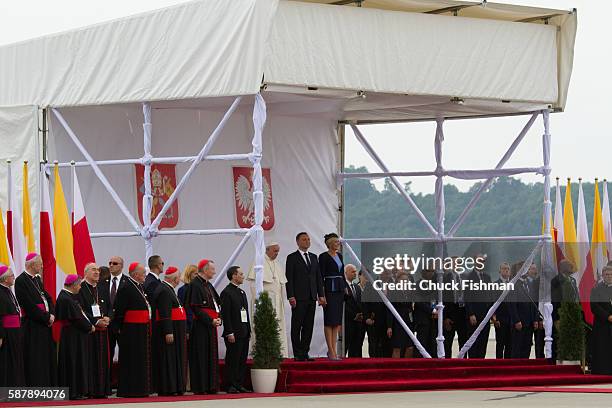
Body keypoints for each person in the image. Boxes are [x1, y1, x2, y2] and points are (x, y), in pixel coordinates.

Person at [14, 252, 57, 386]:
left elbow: (47, 298)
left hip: (44, 324)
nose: (42, 266)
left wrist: (52, 314)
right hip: (32, 326)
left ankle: (47, 385)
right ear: (32, 265)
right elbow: (28, 306)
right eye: (40, 264)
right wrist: (46, 317)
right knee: (35, 358)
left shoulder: (37, 279)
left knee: (45, 357)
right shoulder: (21, 281)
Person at [112, 262, 152, 397]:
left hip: (140, 329)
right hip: (131, 331)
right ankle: (130, 390)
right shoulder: (126, 287)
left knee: (140, 359)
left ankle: (141, 388)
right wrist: (119, 328)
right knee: (132, 360)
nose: (145, 276)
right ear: (135, 274)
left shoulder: (139, 286)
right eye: (143, 273)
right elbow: (120, 310)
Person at [285, 232, 325, 361]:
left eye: (308, 239)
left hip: (311, 297)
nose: (307, 241)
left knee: (308, 326)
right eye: (304, 239)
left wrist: (321, 295)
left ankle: (304, 352)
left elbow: (318, 277)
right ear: (298, 242)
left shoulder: (314, 257)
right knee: (297, 325)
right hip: (298, 297)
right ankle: (297, 353)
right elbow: (289, 279)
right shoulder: (292, 257)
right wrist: (291, 296)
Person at [185, 259, 222, 394]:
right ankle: (201, 387)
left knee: (210, 356)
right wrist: (211, 320)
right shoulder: (195, 285)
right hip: (201, 327)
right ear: (205, 270)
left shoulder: (208, 285)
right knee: (201, 356)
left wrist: (218, 318)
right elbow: (196, 308)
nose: (214, 272)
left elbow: (217, 304)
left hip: (211, 325)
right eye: (212, 269)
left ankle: (211, 385)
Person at [56, 274, 95, 400]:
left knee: (76, 362)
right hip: (72, 337)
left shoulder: (68, 296)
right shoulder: (66, 298)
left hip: (74, 336)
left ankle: (77, 391)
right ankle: (73, 392)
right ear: (73, 285)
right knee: (73, 363)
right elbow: (76, 319)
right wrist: (90, 327)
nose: (80, 288)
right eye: (79, 285)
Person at [247, 242, 289, 357]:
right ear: (267, 250)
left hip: (277, 301)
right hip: (264, 302)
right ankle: (263, 354)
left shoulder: (276, 263)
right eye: (275, 251)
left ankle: (279, 353)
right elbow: (253, 284)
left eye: (278, 251)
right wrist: (259, 302)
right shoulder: (258, 262)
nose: (277, 253)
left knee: (278, 326)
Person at [78, 263, 111, 398]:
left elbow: (109, 305)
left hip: (103, 330)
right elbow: (82, 310)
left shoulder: (102, 287)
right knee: (91, 360)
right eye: (93, 270)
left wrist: (108, 318)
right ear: (86, 273)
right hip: (89, 330)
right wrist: (96, 321)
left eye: (98, 270)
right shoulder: (81, 288)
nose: (97, 272)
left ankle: (102, 390)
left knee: (102, 361)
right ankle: (91, 390)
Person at [153, 266, 187, 396]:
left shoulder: (168, 289)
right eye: (178, 277)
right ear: (175, 278)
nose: (179, 279)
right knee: (169, 359)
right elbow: (165, 313)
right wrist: (168, 331)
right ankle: (169, 387)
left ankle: (176, 386)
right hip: (169, 331)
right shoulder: (164, 291)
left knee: (173, 359)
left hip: (175, 329)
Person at [221, 266, 252, 393]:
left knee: (241, 360)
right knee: (232, 360)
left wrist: (248, 330)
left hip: (244, 332)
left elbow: (246, 313)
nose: (243, 276)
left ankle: (239, 383)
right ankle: (230, 384)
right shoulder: (227, 293)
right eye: (241, 274)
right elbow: (226, 314)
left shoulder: (242, 292)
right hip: (233, 333)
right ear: (234, 276)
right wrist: (229, 332)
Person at [319, 233, 345, 360]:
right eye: (336, 242)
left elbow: (342, 273)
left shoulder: (339, 256)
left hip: (339, 290)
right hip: (329, 290)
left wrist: (345, 288)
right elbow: (320, 276)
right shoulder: (323, 257)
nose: (338, 244)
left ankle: (334, 349)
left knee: (336, 322)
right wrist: (322, 294)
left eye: (338, 242)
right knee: (329, 321)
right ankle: (330, 350)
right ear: (329, 243)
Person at [98, 256, 127, 363]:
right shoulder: (102, 282)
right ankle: (108, 378)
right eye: (110, 263)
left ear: (121, 266)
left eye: (114, 263)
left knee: (124, 354)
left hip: (122, 324)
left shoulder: (127, 282)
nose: (111, 265)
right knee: (107, 354)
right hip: (107, 324)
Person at [508, 262, 539, 359]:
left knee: (527, 347)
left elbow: (533, 302)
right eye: (526, 268)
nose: (528, 270)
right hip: (519, 322)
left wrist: (535, 319)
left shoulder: (529, 283)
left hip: (529, 322)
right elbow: (512, 305)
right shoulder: (514, 284)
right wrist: (516, 320)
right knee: (517, 348)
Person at [0, 264, 24, 387]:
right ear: (5, 279)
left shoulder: (8, 291)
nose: (14, 277)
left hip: (15, 332)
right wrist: (1, 335)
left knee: (15, 360)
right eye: (11, 276)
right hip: (6, 333)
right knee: (6, 361)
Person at [551, 259, 580, 360]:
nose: (572, 268)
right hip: (561, 315)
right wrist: (556, 318)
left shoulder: (573, 280)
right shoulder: (555, 280)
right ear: (563, 268)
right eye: (570, 266)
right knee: (559, 339)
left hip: (572, 315)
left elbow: (575, 296)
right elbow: (555, 301)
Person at [464, 255, 492, 358]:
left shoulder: (487, 277)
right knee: (473, 342)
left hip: (485, 315)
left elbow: (490, 295)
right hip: (474, 315)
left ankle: (481, 365)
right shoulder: (469, 276)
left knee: (483, 341)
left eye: (483, 261)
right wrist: (471, 314)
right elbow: (467, 296)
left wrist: (491, 313)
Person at [144, 255, 164, 392]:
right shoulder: (152, 282)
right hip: (154, 323)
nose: (163, 265)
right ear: (157, 265)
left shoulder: (154, 281)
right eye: (162, 263)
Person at [442, 257, 468, 358]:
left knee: (464, 342)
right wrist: (445, 317)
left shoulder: (466, 276)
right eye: (455, 263)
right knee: (447, 343)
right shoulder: (445, 277)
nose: (457, 264)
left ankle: (463, 365)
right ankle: (447, 366)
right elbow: (443, 297)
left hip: (463, 312)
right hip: (451, 313)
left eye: (459, 263)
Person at [386, 271, 415, 358]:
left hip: (409, 322)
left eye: (406, 280)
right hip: (397, 324)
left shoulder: (410, 292)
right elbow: (390, 310)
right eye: (403, 280)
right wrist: (389, 326)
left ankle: (406, 368)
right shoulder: (393, 291)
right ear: (398, 281)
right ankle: (395, 369)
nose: (405, 282)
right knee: (397, 347)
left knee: (410, 347)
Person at [590, 266, 612, 374]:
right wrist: (608, 316)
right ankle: (603, 371)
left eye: (611, 274)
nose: (609, 276)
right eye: (607, 274)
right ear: (603, 276)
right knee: (602, 348)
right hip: (602, 324)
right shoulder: (596, 289)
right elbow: (594, 306)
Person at [414, 267, 438, 358]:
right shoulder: (417, 284)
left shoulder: (434, 285)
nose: (431, 273)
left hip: (434, 320)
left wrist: (437, 310)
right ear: (422, 272)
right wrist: (432, 310)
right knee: (422, 343)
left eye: (433, 271)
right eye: (428, 271)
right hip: (422, 320)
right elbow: (419, 302)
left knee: (433, 344)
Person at [492, 263, 512, 358]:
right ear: (500, 271)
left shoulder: (513, 284)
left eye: (508, 268)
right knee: (500, 344)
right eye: (504, 268)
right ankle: (499, 365)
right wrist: (494, 317)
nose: (506, 270)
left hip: (511, 319)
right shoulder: (495, 284)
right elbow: (493, 302)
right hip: (500, 319)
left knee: (510, 344)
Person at [343, 264, 364, 357]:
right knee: (345, 346)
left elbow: (360, 303)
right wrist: (353, 316)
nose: (355, 273)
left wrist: (361, 314)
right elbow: (344, 304)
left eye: (356, 271)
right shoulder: (342, 286)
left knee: (356, 347)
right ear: (346, 273)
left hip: (358, 322)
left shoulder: (357, 287)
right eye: (353, 272)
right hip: (347, 322)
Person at [527, 263, 545, 358]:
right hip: (527, 317)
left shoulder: (539, 283)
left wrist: (538, 317)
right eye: (532, 269)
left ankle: (539, 359)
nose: (534, 271)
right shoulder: (524, 282)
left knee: (539, 341)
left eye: (535, 269)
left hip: (538, 316)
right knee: (527, 342)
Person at [177, 264, 198, 337]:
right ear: (189, 274)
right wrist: (186, 329)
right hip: (189, 324)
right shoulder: (183, 290)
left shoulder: (197, 288)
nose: (197, 276)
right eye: (195, 274)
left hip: (198, 323)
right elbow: (183, 309)